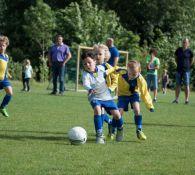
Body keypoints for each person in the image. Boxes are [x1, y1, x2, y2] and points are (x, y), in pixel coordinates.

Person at [81, 50, 124, 144]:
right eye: (85, 64)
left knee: (117, 115)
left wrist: (116, 69)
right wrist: (89, 89)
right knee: (97, 110)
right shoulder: (85, 74)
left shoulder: (101, 68)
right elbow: (85, 84)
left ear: (95, 61)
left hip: (106, 96)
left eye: (89, 62)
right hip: (94, 96)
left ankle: (120, 129)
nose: (87, 65)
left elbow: (109, 71)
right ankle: (99, 135)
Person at [113, 60, 154, 140]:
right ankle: (114, 129)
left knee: (137, 110)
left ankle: (139, 130)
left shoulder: (141, 80)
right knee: (118, 113)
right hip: (123, 95)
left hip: (134, 94)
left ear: (139, 71)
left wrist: (150, 106)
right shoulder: (122, 72)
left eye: (134, 74)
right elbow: (113, 71)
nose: (131, 76)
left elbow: (145, 93)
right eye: (130, 73)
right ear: (127, 69)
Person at [94, 44, 118, 138]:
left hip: (106, 94)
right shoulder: (92, 65)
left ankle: (111, 124)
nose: (97, 56)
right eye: (96, 54)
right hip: (95, 94)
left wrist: (110, 89)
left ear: (105, 56)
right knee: (99, 111)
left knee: (103, 112)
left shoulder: (108, 67)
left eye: (100, 54)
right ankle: (103, 129)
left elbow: (115, 80)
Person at [172, 38, 194, 104]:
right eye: (183, 42)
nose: (184, 43)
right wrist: (177, 64)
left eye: (185, 42)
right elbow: (175, 58)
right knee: (177, 85)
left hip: (186, 70)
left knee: (186, 85)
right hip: (179, 70)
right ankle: (176, 99)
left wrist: (189, 65)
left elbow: (192, 59)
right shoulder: (178, 50)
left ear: (188, 43)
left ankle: (186, 100)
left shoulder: (190, 51)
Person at [0, 35, 13, 117]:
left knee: (10, 93)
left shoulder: (6, 57)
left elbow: (5, 67)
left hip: (3, 79)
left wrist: (8, 73)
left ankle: (2, 107)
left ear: (6, 46)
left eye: (3, 45)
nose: (1, 47)